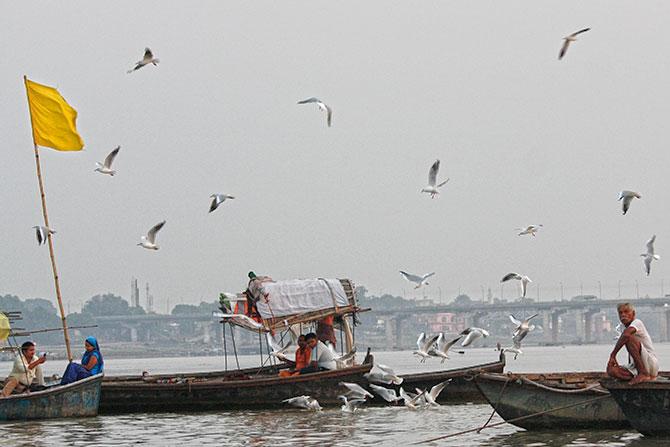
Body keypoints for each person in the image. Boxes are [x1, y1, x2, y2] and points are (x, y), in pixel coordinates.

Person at [607, 303, 658, 384]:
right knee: (611, 371)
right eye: (620, 313)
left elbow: (626, 335)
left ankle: (644, 374)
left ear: (633, 314)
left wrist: (613, 355)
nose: (623, 315)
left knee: (629, 338)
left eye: (626, 312)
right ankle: (636, 376)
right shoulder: (625, 328)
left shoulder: (637, 323)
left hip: (649, 363)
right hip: (637, 366)